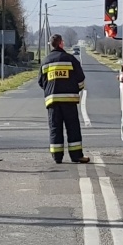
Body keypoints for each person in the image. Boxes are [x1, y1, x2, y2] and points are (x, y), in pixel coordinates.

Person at [38, 34, 90, 164]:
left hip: (53, 101)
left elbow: (41, 82)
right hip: (69, 100)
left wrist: (51, 91)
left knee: (55, 128)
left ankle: (57, 157)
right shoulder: (70, 59)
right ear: (61, 43)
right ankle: (76, 155)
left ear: (51, 45)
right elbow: (81, 78)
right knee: (72, 128)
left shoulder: (45, 61)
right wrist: (76, 89)